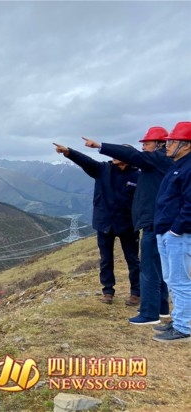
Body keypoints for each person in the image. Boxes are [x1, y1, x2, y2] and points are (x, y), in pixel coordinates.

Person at [82, 127, 173, 325]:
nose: (144, 147)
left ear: (160, 144)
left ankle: (149, 313)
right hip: (151, 221)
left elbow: (132, 155)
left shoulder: (154, 161)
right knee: (157, 267)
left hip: (149, 222)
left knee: (148, 268)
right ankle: (162, 308)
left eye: (147, 143)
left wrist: (100, 146)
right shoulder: (160, 163)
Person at [53, 143, 140, 305]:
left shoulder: (138, 175)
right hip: (104, 223)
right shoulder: (103, 170)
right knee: (106, 259)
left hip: (128, 224)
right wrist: (69, 152)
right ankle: (108, 291)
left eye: (119, 153)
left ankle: (136, 292)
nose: (114, 156)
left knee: (132, 259)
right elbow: (86, 161)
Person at [152, 121, 191, 343]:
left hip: (179, 235)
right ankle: (178, 321)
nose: (167, 145)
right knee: (171, 279)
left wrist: (176, 230)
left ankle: (184, 327)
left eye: (173, 141)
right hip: (167, 233)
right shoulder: (177, 165)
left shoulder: (189, 168)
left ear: (186, 145)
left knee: (179, 280)